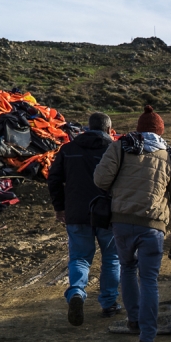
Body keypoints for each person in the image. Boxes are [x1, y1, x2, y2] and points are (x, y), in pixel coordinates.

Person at [94, 106, 171, 342]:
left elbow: (100, 180)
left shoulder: (120, 146)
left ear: (138, 128)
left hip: (122, 222)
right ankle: (147, 339)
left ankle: (133, 321)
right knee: (149, 280)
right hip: (153, 226)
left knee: (127, 268)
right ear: (160, 131)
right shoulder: (170, 155)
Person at [47, 112, 121, 326]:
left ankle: (77, 292)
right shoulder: (114, 150)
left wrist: (60, 207)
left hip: (76, 213)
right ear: (109, 130)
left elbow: (54, 179)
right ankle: (108, 304)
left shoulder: (68, 150)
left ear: (88, 128)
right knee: (112, 259)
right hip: (107, 213)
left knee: (79, 258)